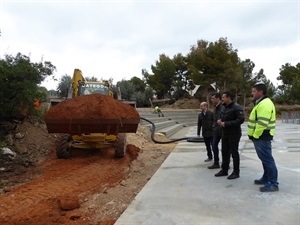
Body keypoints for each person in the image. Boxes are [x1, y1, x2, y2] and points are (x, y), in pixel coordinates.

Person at [248, 82, 278, 192]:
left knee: (267, 159)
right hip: (260, 136)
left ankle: (273, 183)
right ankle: (266, 178)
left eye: (254, 91)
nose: (252, 93)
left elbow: (262, 123)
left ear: (261, 92)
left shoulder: (265, 104)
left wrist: (255, 135)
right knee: (265, 159)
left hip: (262, 136)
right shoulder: (261, 103)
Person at [215, 91, 245, 179]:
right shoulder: (224, 107)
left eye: (224, 97)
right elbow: (222, 116)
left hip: (234, 133)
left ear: (229, 98)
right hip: (225, 133)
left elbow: (240, 120)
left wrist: (226, 124)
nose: (222, 99)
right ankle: (224, 170)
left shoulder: (237, 107)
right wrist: (220, 121)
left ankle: (236, 172)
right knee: (224, 152)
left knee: (234, 152)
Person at [208, 93, 223, 169]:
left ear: (218, 98)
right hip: (216, 131)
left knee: (225, 148)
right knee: (214, 145)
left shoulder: (223, 106)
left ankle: (225, 163)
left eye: (213, 98)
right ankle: (216, 163)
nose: (212, 100)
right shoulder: (215, 107)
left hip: (223, 130)